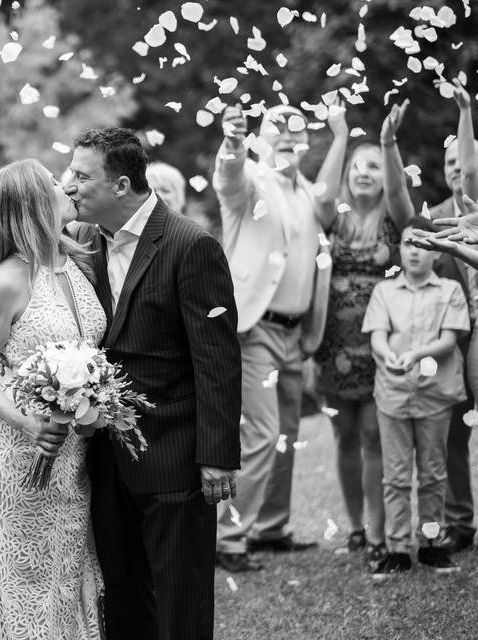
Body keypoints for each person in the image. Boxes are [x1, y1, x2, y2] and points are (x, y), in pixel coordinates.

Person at [65, 128, 241, 640]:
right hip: (105, 455)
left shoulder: (192, 245)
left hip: (174, 451)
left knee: (181, 598)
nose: (70, 186)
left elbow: (217, 359)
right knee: (123, 597)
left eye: (81, 176)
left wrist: (216, 453)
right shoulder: (83, 242)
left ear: (121, 185)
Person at [0, 158, 103, 639]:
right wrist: (28, 423)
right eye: (57, 184)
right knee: (21, 580)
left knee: (65, 572)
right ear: (35, 204)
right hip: (19, 451)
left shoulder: (76, 261)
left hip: (73, 450)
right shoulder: (8, 280)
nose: (68, 188)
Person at [212, 105, 335, 573]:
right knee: (262, 433)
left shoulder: (305, 191)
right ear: (262, 139)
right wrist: (233, 145)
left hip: (295, 332)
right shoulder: (252, 180)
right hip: (255, 330)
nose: (287, 135)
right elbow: (228, 179)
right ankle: (227, 537)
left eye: (295, 129)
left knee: (286, 433)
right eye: (277, 129)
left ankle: (271, 528)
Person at [313, 101, 415, 562]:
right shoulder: (332, 219)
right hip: (333, 344)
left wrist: (387, 143)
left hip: (380, 344)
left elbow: (399, 189)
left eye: (373, 166)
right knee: (343, 437)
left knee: (376, 437)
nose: (365, 173)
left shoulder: (395, 218)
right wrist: (339, 135)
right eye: (358, 166)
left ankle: (378, 530)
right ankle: (354, 527)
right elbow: (319, 195)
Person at [362, 217, 469, 577]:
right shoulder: (384, 292)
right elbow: (377, 335)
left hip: (435, 396)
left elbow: (449, 340)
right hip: (392, 396)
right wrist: (386, 354)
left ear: (437, 253)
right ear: (400, 248)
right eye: (409, 243)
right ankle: (396, 548)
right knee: (394, 476)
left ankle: (431, 544)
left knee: (433, 474)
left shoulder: (450, 290)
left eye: (424, 245)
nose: (415, 251)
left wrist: (416, 354)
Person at [426, 81, 478, 554]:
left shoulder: (475, 210)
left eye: (464, 164)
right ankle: (460, 522)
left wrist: (465, 112)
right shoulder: (439, 217)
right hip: (459, 337)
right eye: (450, 165)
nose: (458, 171)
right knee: (456, 431)